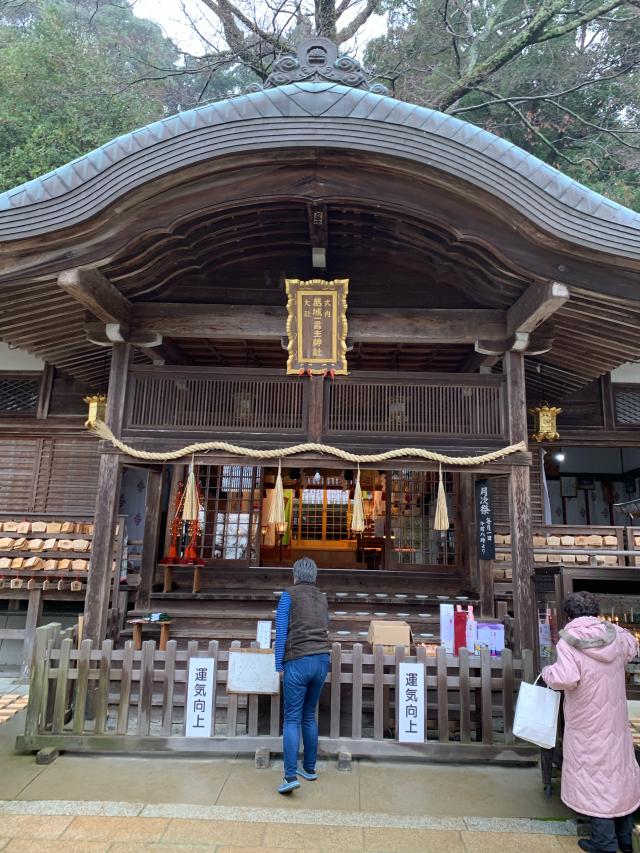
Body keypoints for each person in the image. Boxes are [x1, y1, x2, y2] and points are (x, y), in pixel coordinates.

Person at [542, 591, 640, 853]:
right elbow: (633, 647)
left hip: (587, 720)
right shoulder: (616, 636)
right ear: (595, 611)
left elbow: (566, 678)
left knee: (594, 773)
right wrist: (614, 629)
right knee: (618, 772)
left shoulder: (569, 642)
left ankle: (604, 842)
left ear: (570, 614)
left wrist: (547, 672)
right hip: (614, 719)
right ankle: (626, 838)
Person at [274, 557, 330, 794]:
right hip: (321, 660)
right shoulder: (323, 597)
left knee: (292, 718)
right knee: (309, 715)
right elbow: (326, 625)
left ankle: (289, 776)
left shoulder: (289, 594)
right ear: (314, 575)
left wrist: (279, 665)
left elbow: (281, 630)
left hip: (298, 660)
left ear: (295, 575)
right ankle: (309, 768)